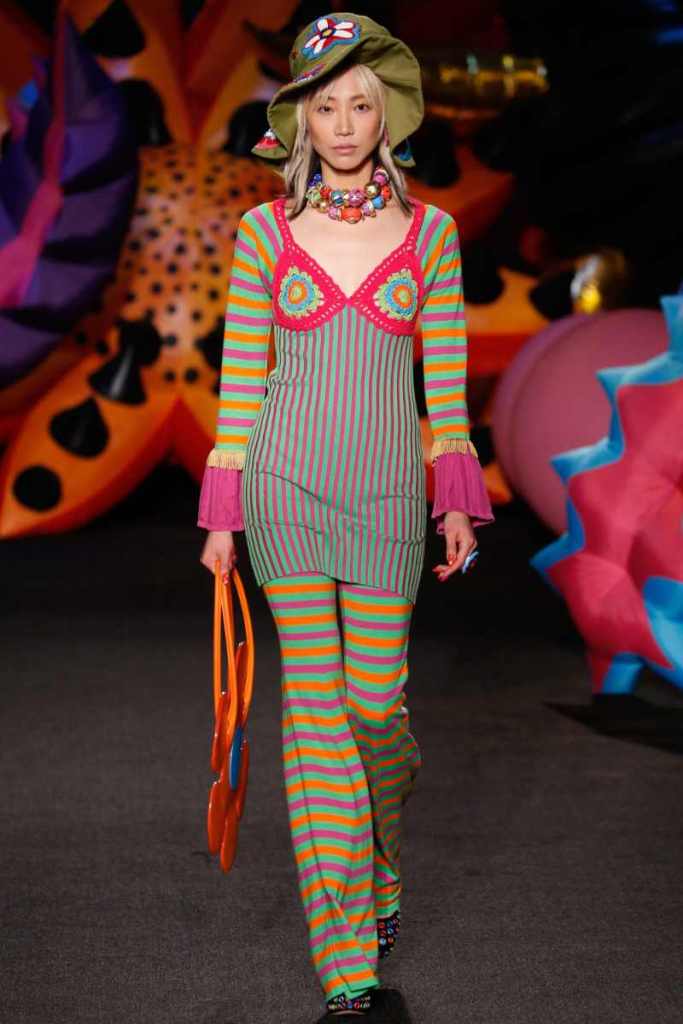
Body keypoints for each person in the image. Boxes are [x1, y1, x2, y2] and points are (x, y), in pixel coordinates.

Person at [198, 13, 494, 1023]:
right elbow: (241, 384)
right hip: (283, 491)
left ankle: (382, 855)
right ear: (298, 118)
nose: (341, 123)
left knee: (374, 709)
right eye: (323, 105)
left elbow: (444, 390)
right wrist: (222, 517)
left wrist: (455, 503)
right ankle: (347, 969)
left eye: (359, 104)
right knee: (314, 719)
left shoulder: (431, 236)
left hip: (387, 499)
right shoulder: (262, 234)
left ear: (386, 117)